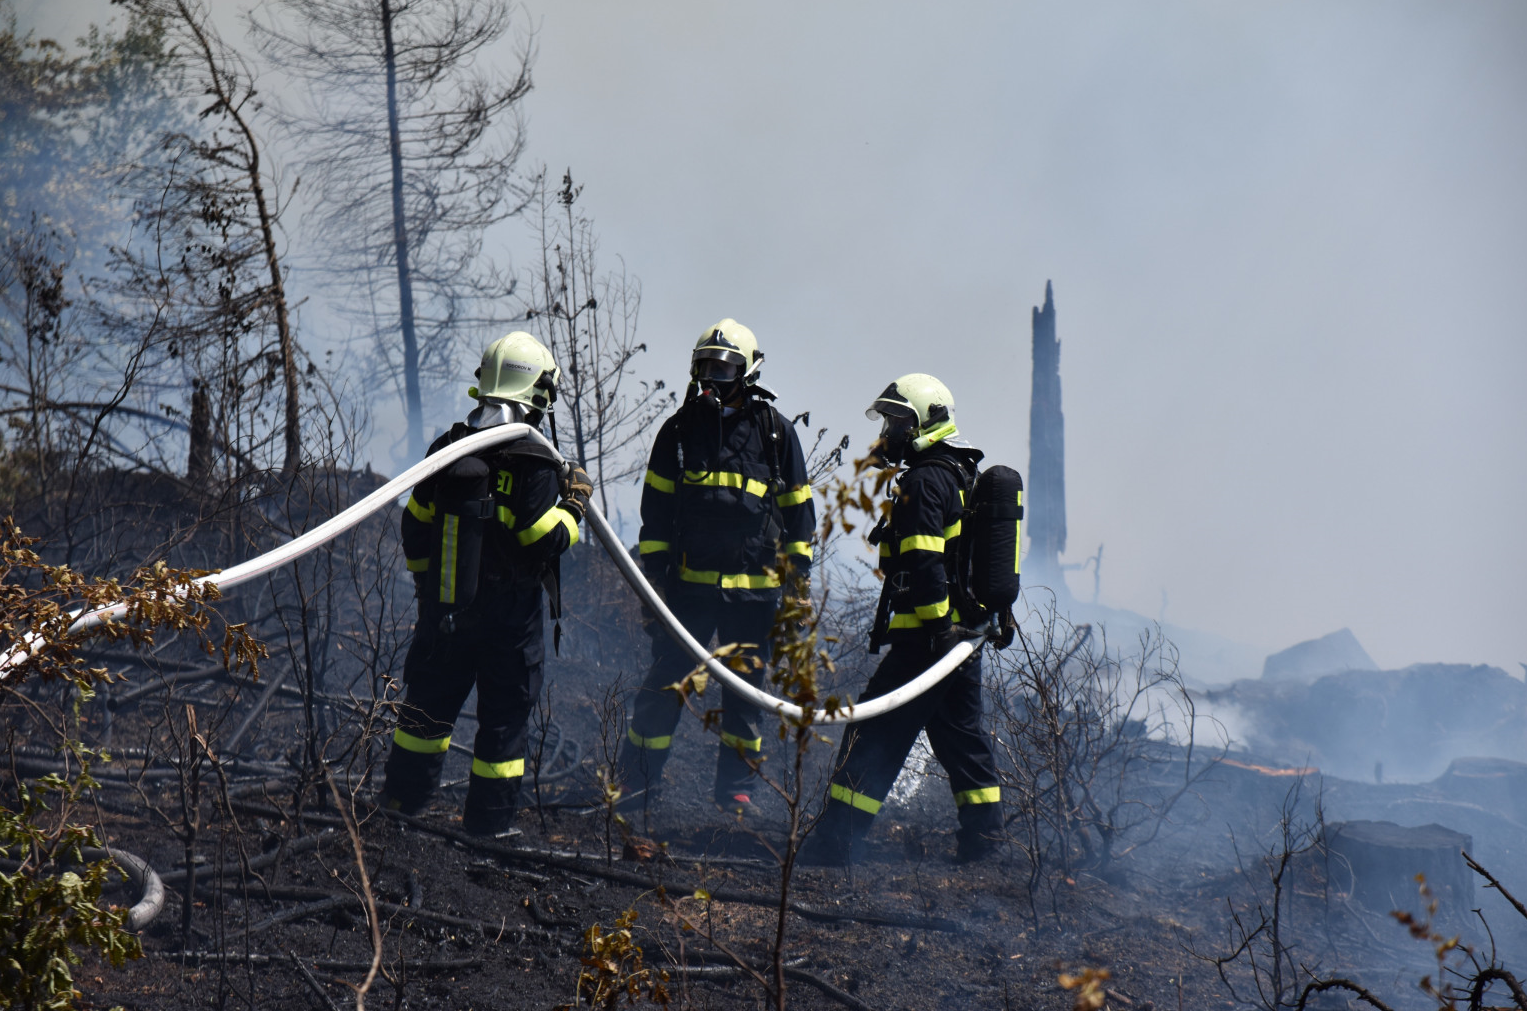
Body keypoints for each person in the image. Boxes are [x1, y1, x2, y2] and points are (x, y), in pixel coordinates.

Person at [380, 332, 592, 837]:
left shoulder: (448, 448)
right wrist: (575, 505)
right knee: (503, 724)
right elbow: (540, 538)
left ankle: (399, 810)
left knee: (426, 713)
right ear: (538, 392)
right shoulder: (534, 460)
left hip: (447, 608)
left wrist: (430, 590)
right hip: (510, 622)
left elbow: (415, 524)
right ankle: (489, 830)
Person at [613, 318, 815, 815]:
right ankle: (637, 784)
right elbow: (655, 518)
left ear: (748, 373)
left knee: (745, 697)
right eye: (705, 367)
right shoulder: (678, 432)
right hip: (688, 594)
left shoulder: (775, 434)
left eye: (723, 369)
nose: (712, 378)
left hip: (754, 598)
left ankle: (736, 794)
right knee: (665, 687)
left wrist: (798, 587)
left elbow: (799, 518)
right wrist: (654, 586)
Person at [805, 373, 1003, 865]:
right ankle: (986, 844)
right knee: (963, 739)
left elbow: (924, 560)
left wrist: (937, 630)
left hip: (928, 642)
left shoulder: (926, 479)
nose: (889, 432)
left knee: (872, 735)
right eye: (890, 422)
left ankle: (836, 843)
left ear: (926, 422)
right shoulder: (959, 471)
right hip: (960, 640)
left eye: (898, 422)